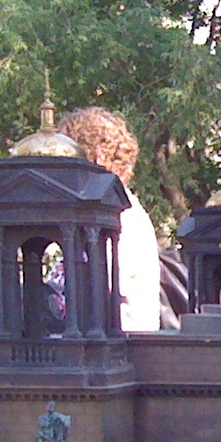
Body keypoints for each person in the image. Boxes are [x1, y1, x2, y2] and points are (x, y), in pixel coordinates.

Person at [58, 106, 161, 332]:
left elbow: (102, 293)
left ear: (96, 157)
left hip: (118, 341)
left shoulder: (119, 215)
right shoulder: (104, 210)